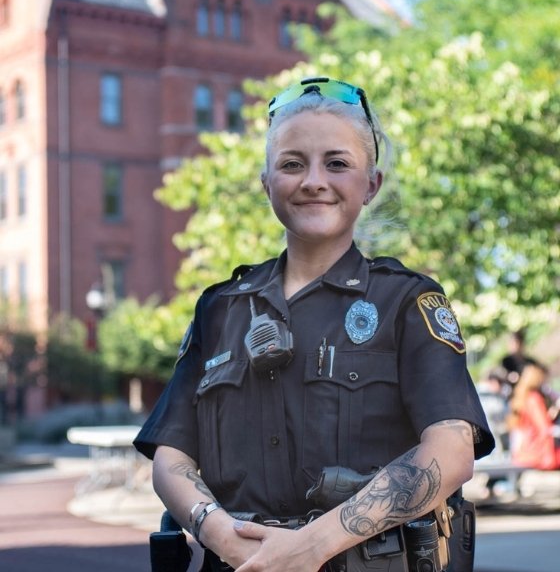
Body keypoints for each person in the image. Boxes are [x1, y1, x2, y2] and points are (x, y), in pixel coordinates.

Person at [134, 77, 494, 572]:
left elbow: (451, 452)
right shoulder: (219, 308)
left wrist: (310, 547)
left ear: (371, 185)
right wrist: (227, 540)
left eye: (337, 163)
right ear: (267, 185)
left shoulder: (408, 300)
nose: (313, 181)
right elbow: (170, 457)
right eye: (292, 164)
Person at [508, 362, 560, 471]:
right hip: (537, 452)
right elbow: (544, 428)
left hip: (524, 450)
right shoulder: (534, 398)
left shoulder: (522, 396)